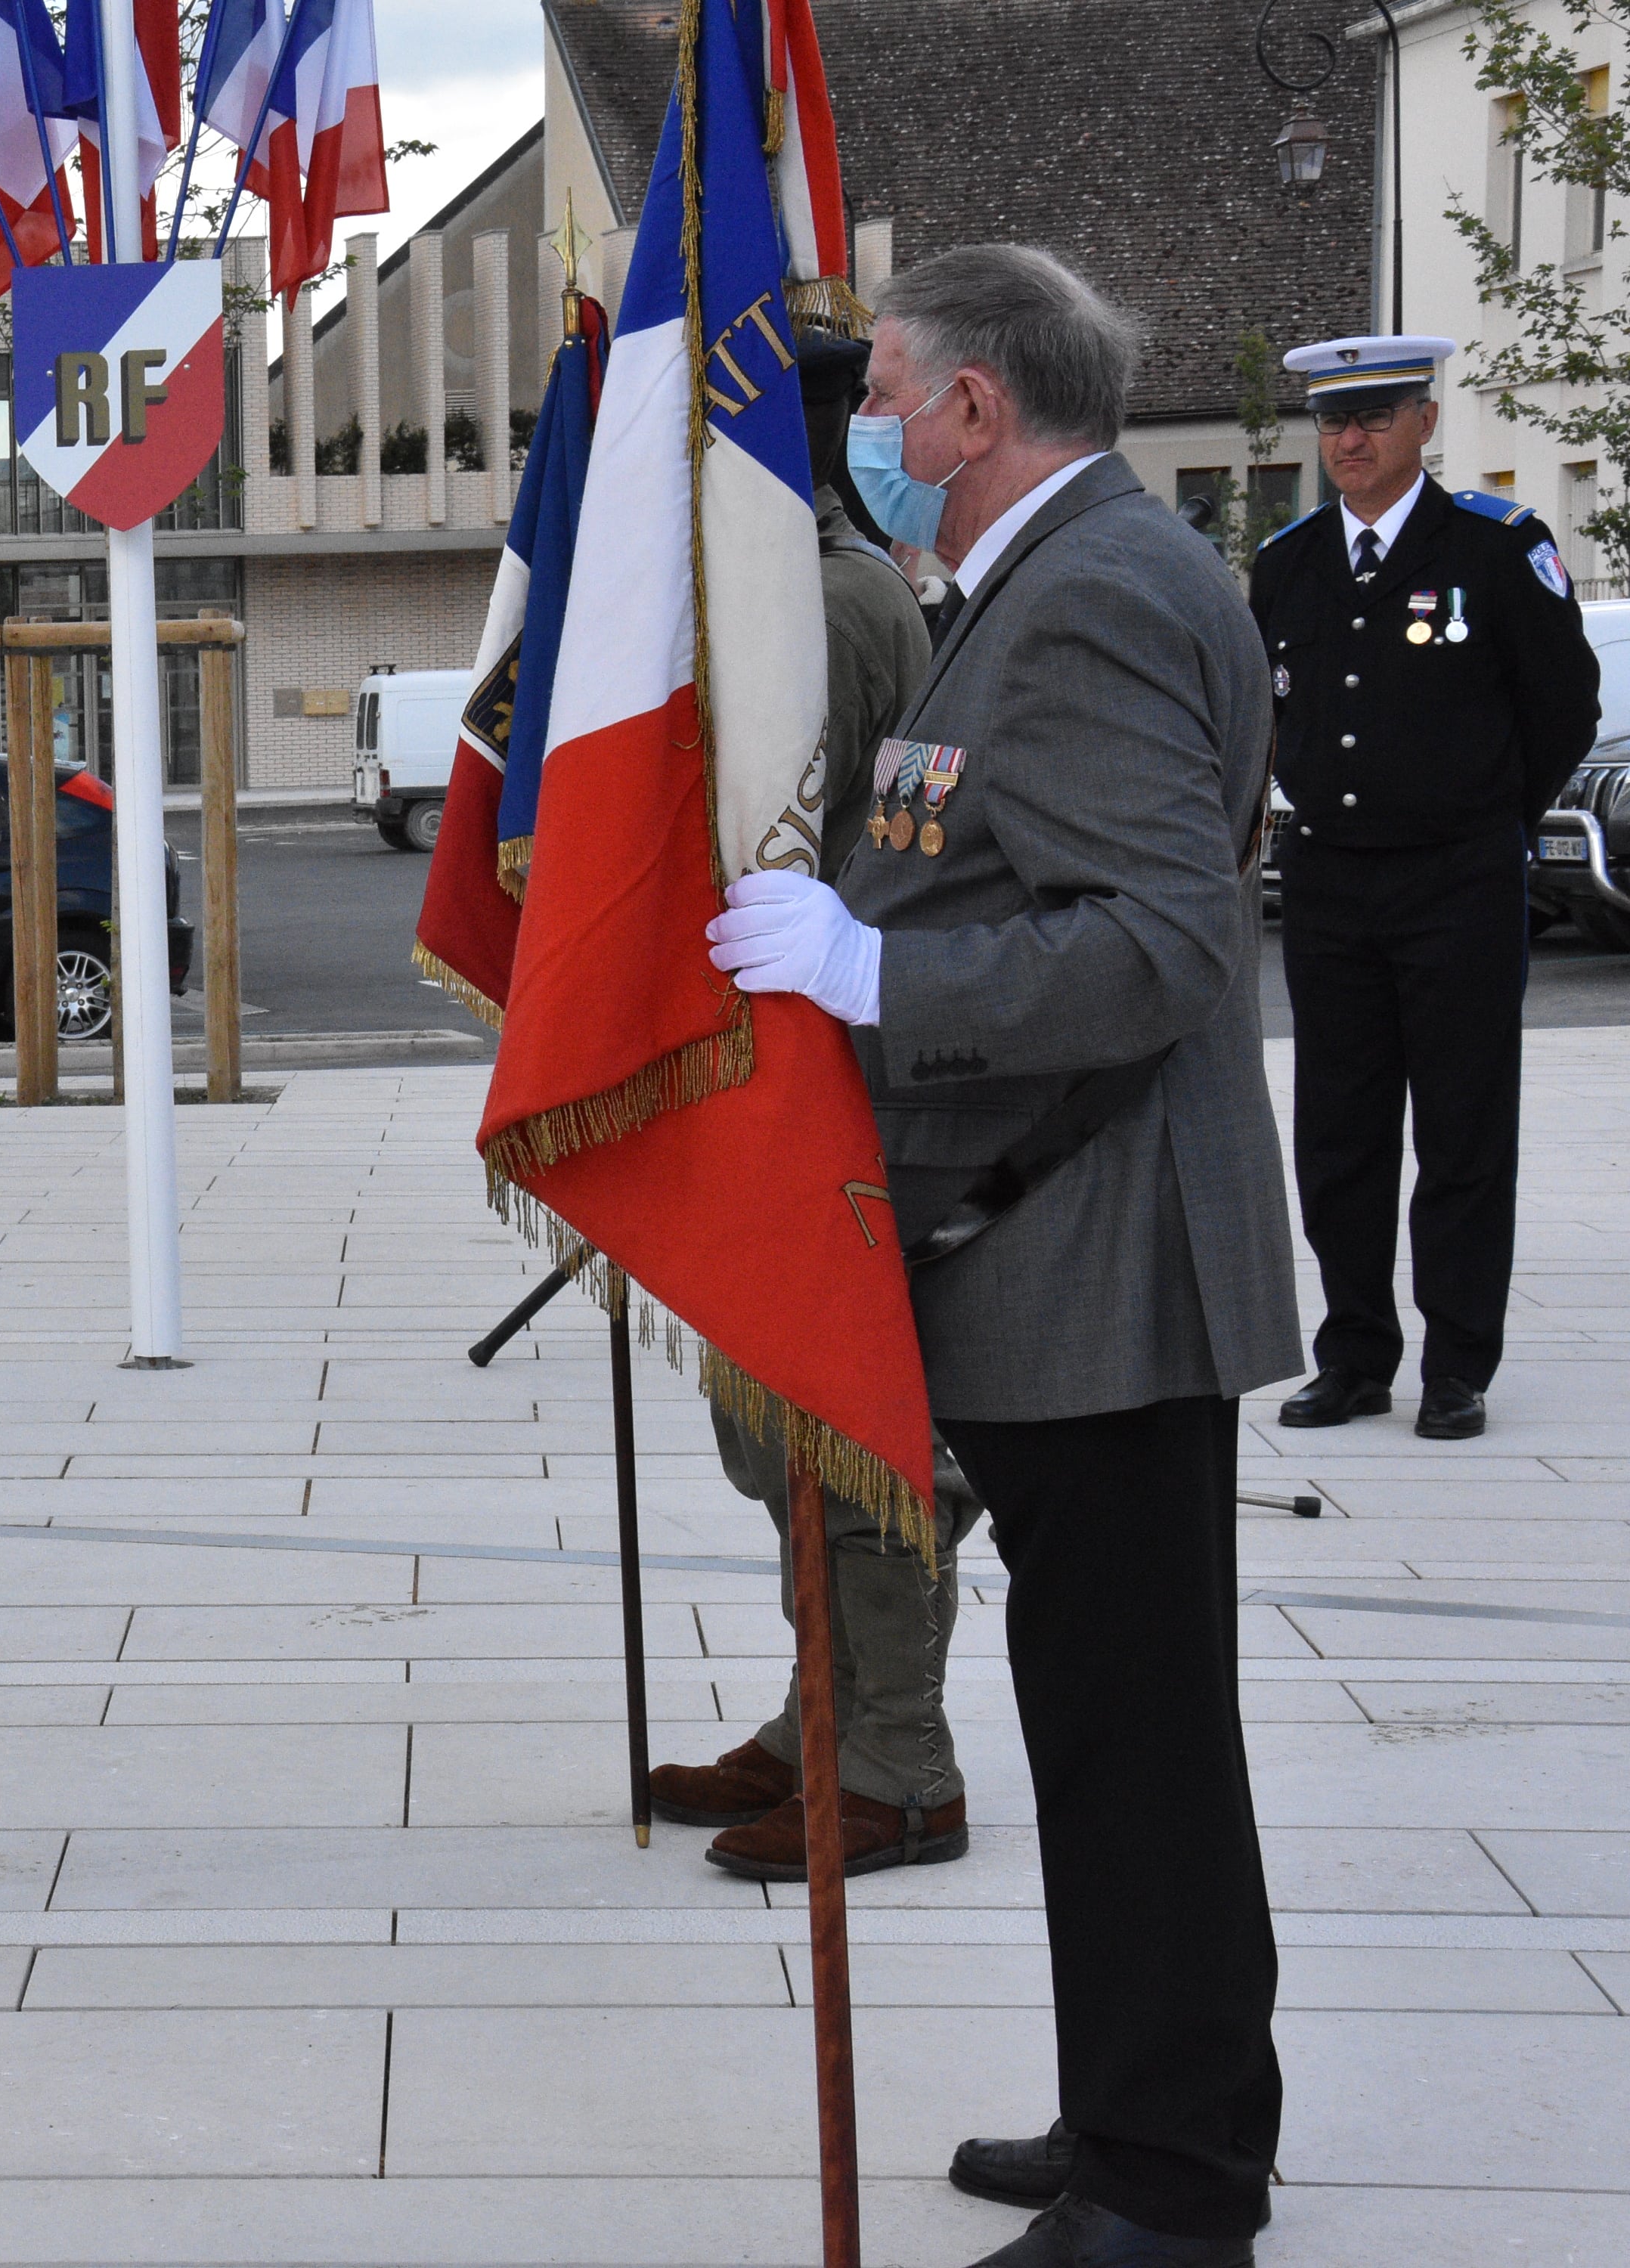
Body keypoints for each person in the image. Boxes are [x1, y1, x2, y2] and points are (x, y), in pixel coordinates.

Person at [705, 244, 1302, 2268]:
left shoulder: (1102, 592)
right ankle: (1168, 2103)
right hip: (1072, 1244)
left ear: (973, 412)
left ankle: (1171, 2188)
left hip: (1105, 1255)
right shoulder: (1060, 575)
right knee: (1126, 1716)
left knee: (1133, 1731)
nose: (862, 425)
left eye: (881, 389)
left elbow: (1161, 941)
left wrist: (874, 970)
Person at [659, 329, 980, 1885]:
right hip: (766, 1072)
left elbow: (794, 848)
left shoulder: (833, 604)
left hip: (829, 1081)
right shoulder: (778, 592)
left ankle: (895, 1766)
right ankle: (821, 1717)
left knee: (847, 1431)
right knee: (770, 1431)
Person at [1253, 335, 1600, 1442]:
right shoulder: (1293, 560)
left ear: (1425, 424)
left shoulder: (1497, 548)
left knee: (1461, 1126)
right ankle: (1354, 1353)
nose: (1346, 441)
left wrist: (1486, 813)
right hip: (1330, 881)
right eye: (1332, 421)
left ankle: (1457, 1364)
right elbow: (1274, 712)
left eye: (1374, 417)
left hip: (1457, 879)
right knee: (1341, 1130)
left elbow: (1563, 707)